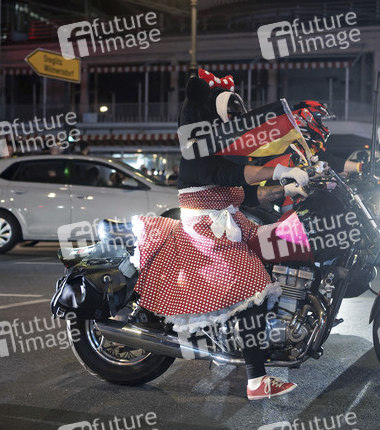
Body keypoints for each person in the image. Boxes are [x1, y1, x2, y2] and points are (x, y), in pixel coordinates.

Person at [130, 69, 308, 400]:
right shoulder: (194, 158)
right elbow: (233, 174)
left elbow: (249, 193)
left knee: (278, 251)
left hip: (229, 226)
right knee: (253, 284)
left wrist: (286, 189)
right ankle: (257, 380)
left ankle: (262, 337)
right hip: (203, 235)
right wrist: (279, 170)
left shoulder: (218, 155)